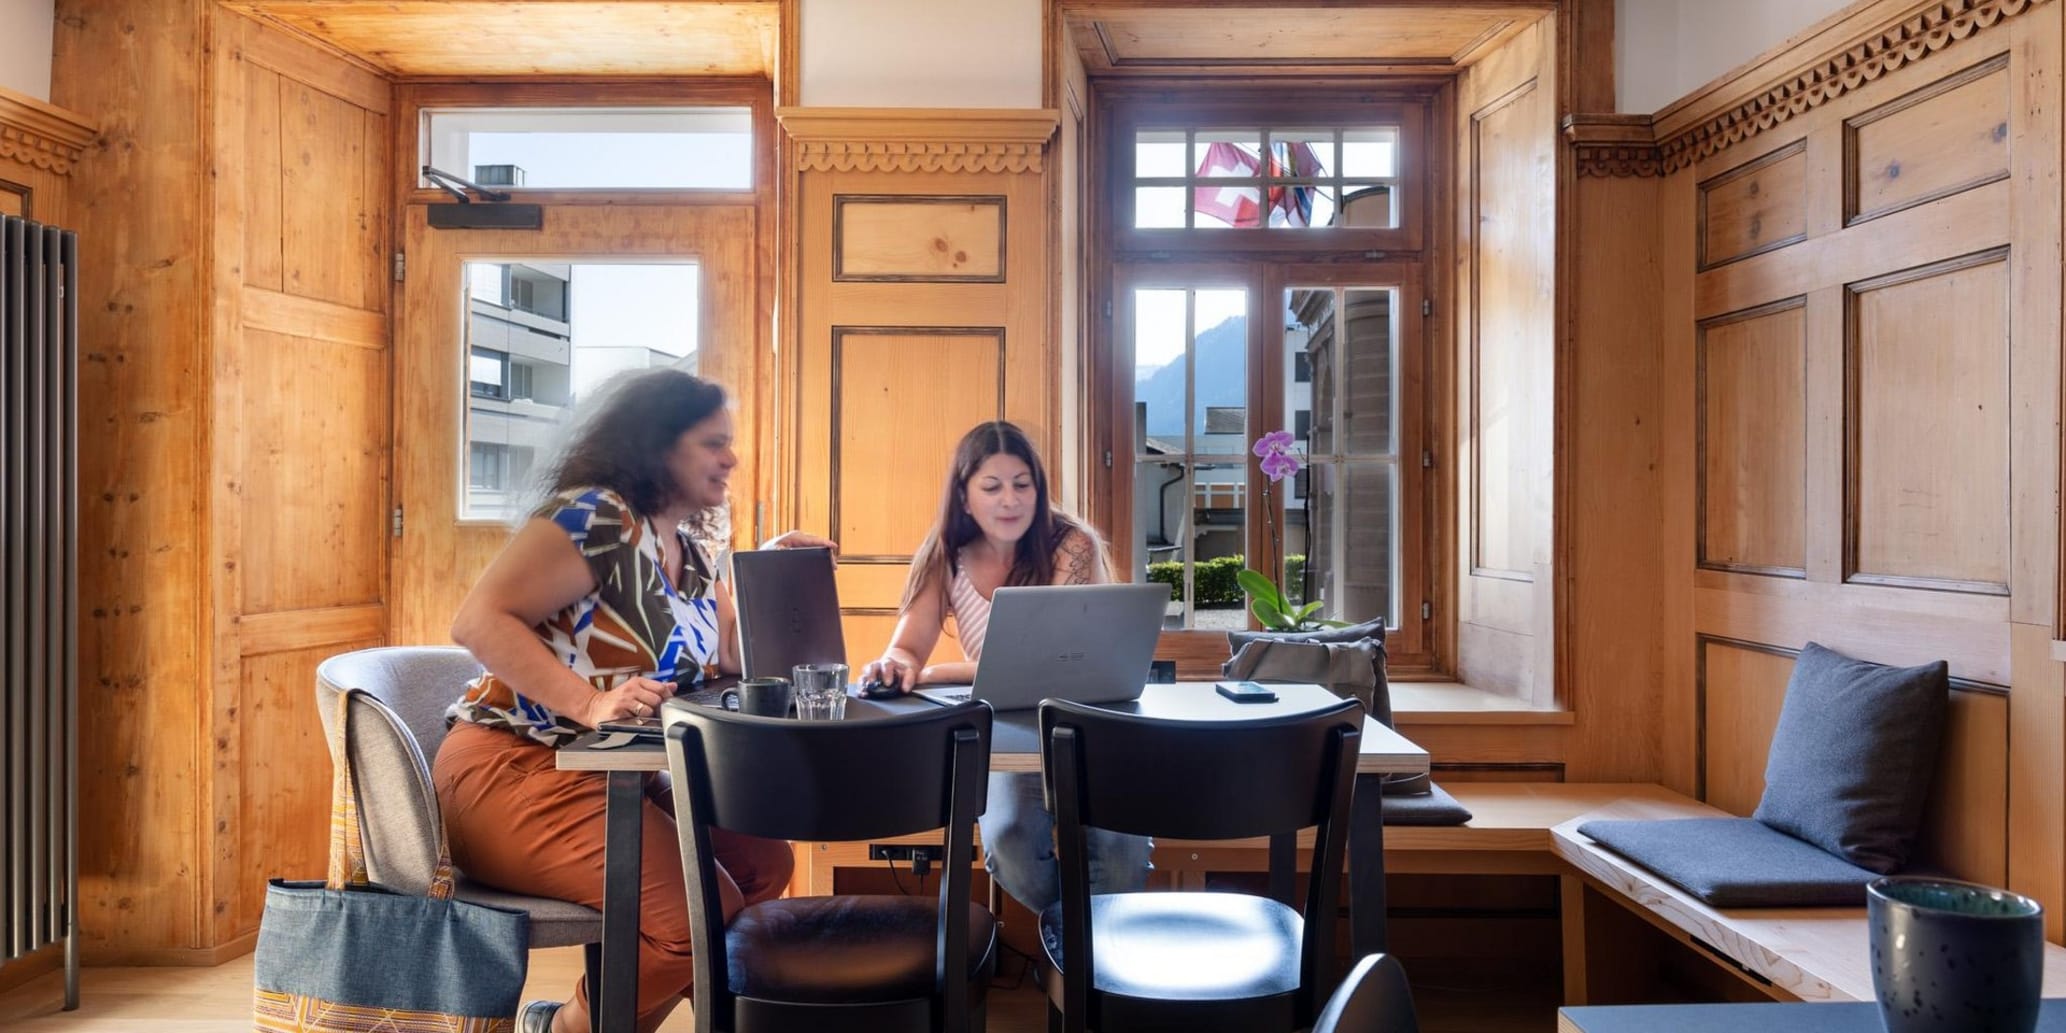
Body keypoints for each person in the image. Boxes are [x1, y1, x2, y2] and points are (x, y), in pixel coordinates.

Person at [433, 369, 835, 1033]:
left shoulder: (691, 551)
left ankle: (597, 1023)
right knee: (697, 911)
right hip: (514, 768)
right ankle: (564, 1026)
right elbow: (477, 620)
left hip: (616, 778)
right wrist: (589, 704)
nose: (730, 456)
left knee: (764, 863)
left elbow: (732, 656)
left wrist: (772, 571)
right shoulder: (597, 517)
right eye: (711, 442)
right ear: (656, 446)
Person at [860, 420, 1152, 914]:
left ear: (1038, 490)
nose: (1010, 501)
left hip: (1089, 724)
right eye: (991, 487)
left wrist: (934, 675)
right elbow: (907, 649)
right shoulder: (944, 554)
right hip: (1007, 732)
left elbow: (1051, 664)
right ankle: (1072, 942)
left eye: (1022, 485)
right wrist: (895, 664)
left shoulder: (1070, 545)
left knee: (1121, 851)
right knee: (1010, 842)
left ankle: (1082, 959)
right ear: (964, 495)